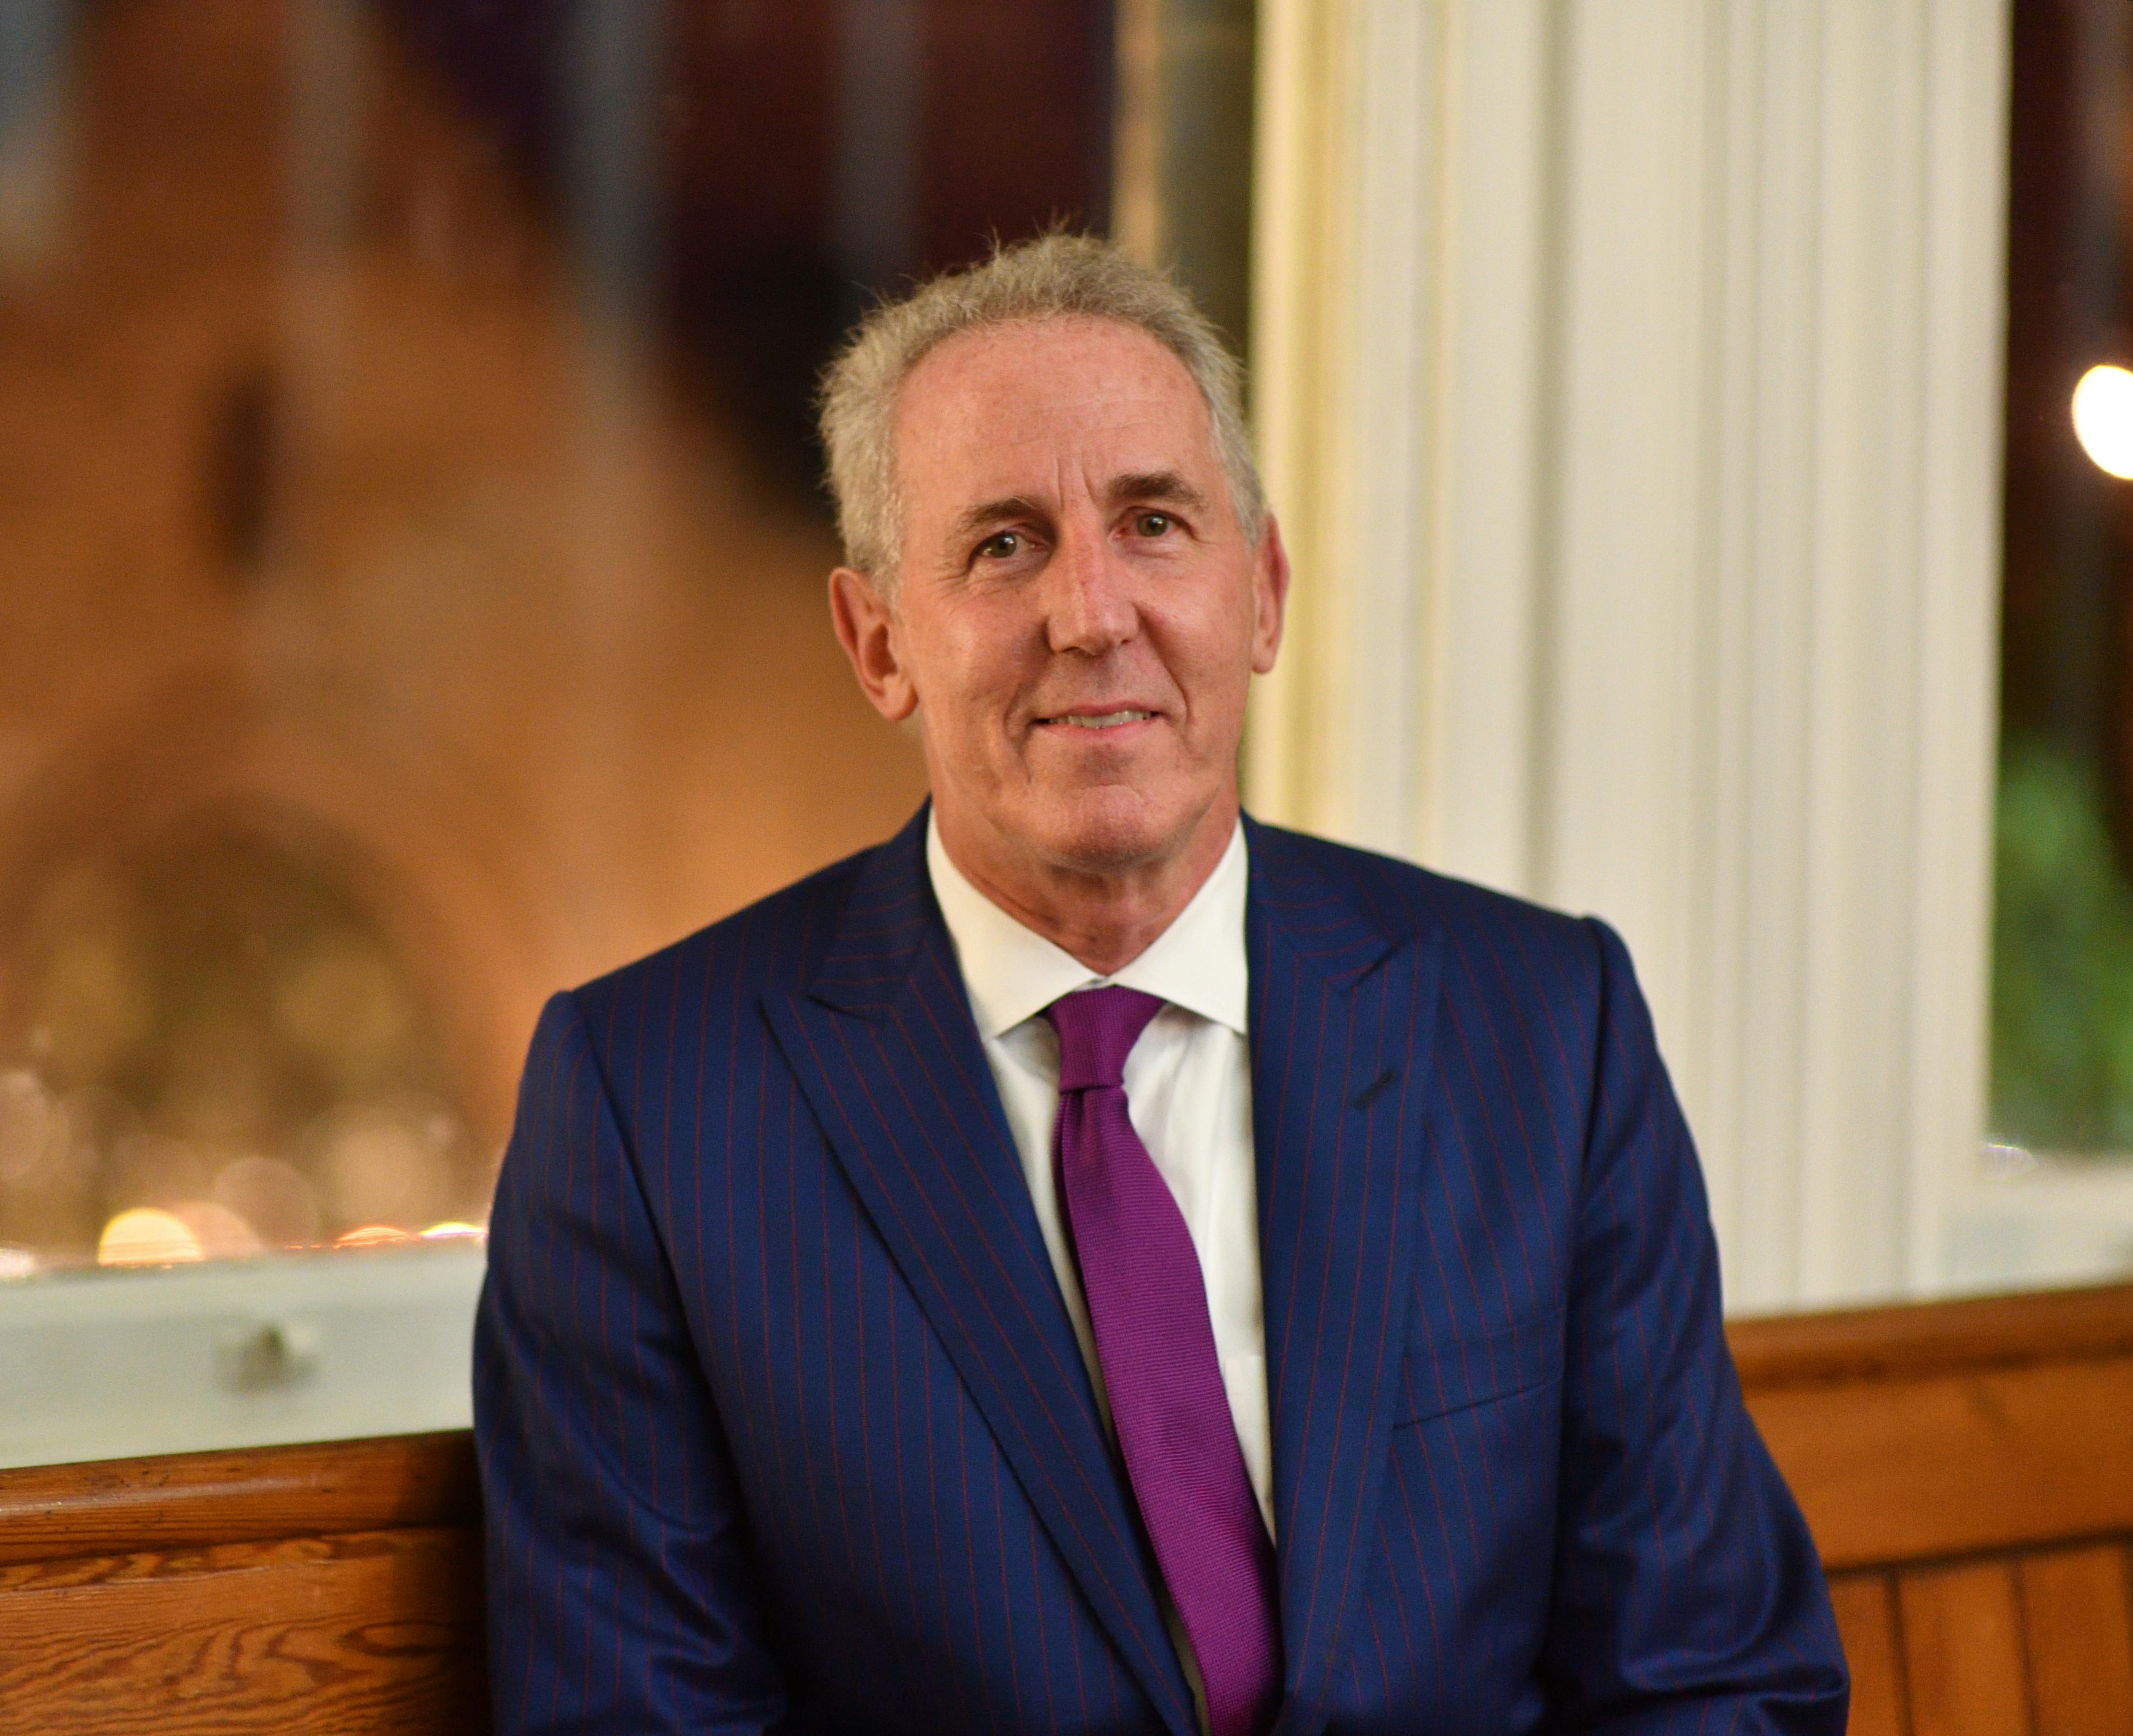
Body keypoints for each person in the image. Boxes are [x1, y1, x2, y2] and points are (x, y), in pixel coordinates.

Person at [473, 233, 1848, 1735]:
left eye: (1151, 523)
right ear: (879, 645)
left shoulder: (1545, 1031)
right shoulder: (650, 1112)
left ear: (1260, 595)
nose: (1091, 613)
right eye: (1003, 546)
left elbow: (1710, 1679)